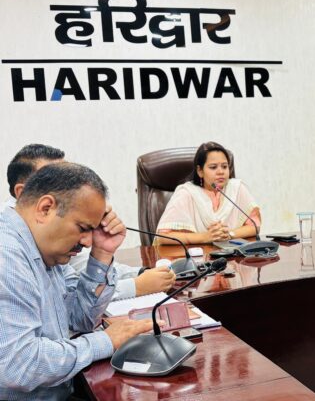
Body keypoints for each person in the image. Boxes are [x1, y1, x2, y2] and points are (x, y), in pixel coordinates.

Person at [0, 162, 154, 400]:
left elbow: (81, 318)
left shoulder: (46, 250)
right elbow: (20, 366)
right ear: (45, 208)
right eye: (83, 228)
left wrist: (102, 253)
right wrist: (105, 341)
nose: (87, 242)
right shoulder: (7, 256)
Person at [2, 144, 176, 299]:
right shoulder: (9, 254)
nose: (70, 185)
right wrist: (137, 286)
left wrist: (138, 271)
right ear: (22, 193)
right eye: (53, 178)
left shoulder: (51, 241)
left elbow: (77, 296)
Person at [156, 142, 261, 244]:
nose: (221, 172)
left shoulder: (237, 189)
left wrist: (229, 234)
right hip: (197, 254)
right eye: (213, 167)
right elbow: (163, 237)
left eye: (224, 166)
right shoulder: (187, 193)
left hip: (230, 252)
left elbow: (254, 225)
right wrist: (205, 237)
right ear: (200, 171)